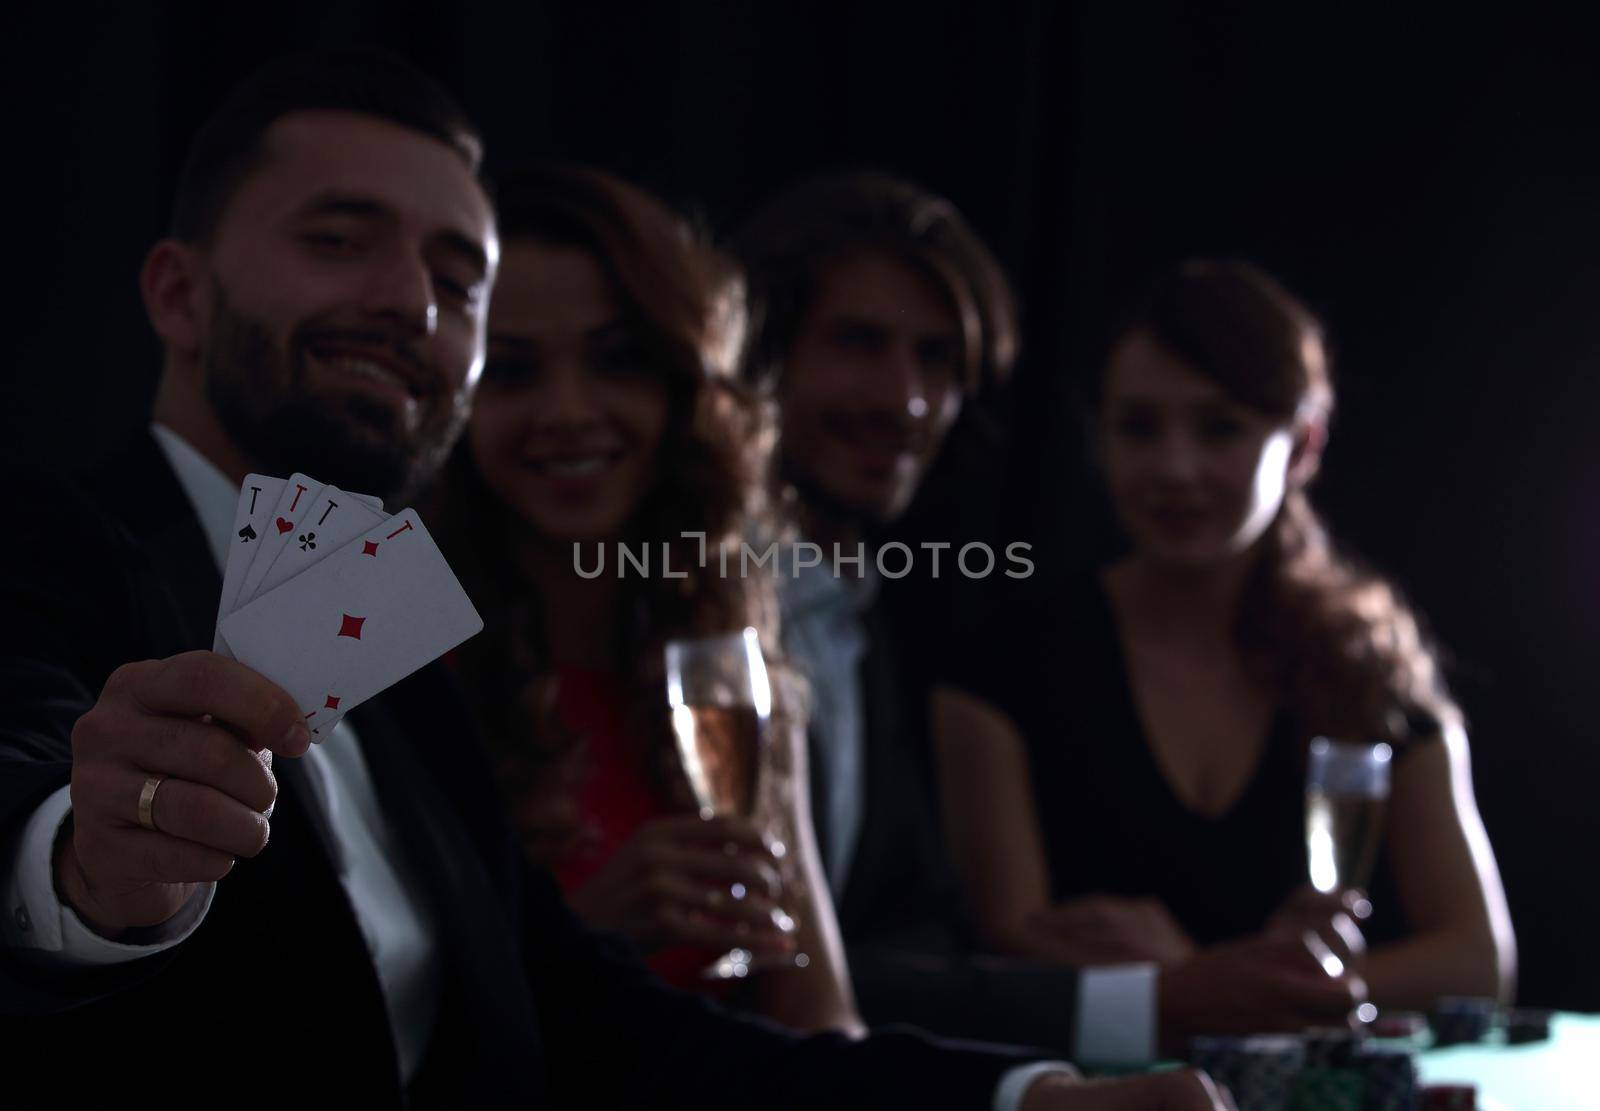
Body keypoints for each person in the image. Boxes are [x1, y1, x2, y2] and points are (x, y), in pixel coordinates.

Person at [0, 48, 1228, 1110]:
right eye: (339, 238)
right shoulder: (36, 545)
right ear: (176, 291)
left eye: (455, 277)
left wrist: (1028, 1095)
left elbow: (599, 1026)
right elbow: (22, 812)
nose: (405, 302)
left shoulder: (392, 629)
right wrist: (89, 872)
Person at [933, 259, 1517, 1044]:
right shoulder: (1002, 664)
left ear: (1303, 444)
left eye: (1220, 428)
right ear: (1097, 437)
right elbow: (1009, 943)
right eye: (1139, 427)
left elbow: (1480, 961)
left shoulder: (1369, 671)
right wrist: (1245, 983)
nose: (1176, 469)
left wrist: (1204, 979)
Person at [736, 173, 1154, 1062]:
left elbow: (883, 937)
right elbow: (756, 970)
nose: (906, 401)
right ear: (756, 355)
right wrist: (1148, 1002)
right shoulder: (680, 589)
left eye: (936, 359)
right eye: (858, 342)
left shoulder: (861, 609)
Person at [434, 163, 859, 1033]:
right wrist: (591, 931)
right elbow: (374, 1041)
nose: (570, 411)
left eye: (618, 361)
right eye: (513, 373)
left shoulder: (724, 645)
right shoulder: (401, 662)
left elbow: (820, 1021)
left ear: (685, 386)